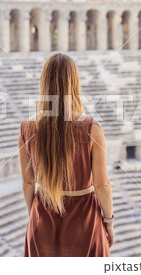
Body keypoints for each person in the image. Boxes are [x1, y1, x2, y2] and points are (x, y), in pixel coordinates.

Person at [18, 52, 114, 257]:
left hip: (41, 220)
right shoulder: (91, 128)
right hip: (85, 222)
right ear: (74, 83)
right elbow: (102, 185)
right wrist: (109, 222)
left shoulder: (27, 128)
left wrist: (34, 215)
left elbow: (28, 184)